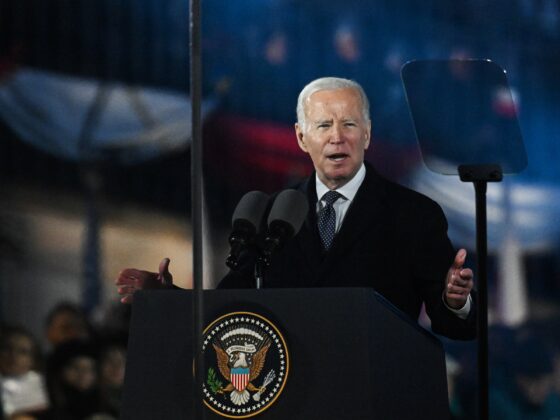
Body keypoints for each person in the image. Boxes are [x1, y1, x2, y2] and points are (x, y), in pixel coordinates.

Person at [116, 77, 476, 340]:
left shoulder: (413, 214)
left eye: (349, 124)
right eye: (323, 125)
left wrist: (455, 300)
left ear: (366, 134)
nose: (337, 136)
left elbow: (455, 324)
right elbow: (229, 306)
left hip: (374, 392)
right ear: (302, 138)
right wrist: (166, 299)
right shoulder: (274, 212)